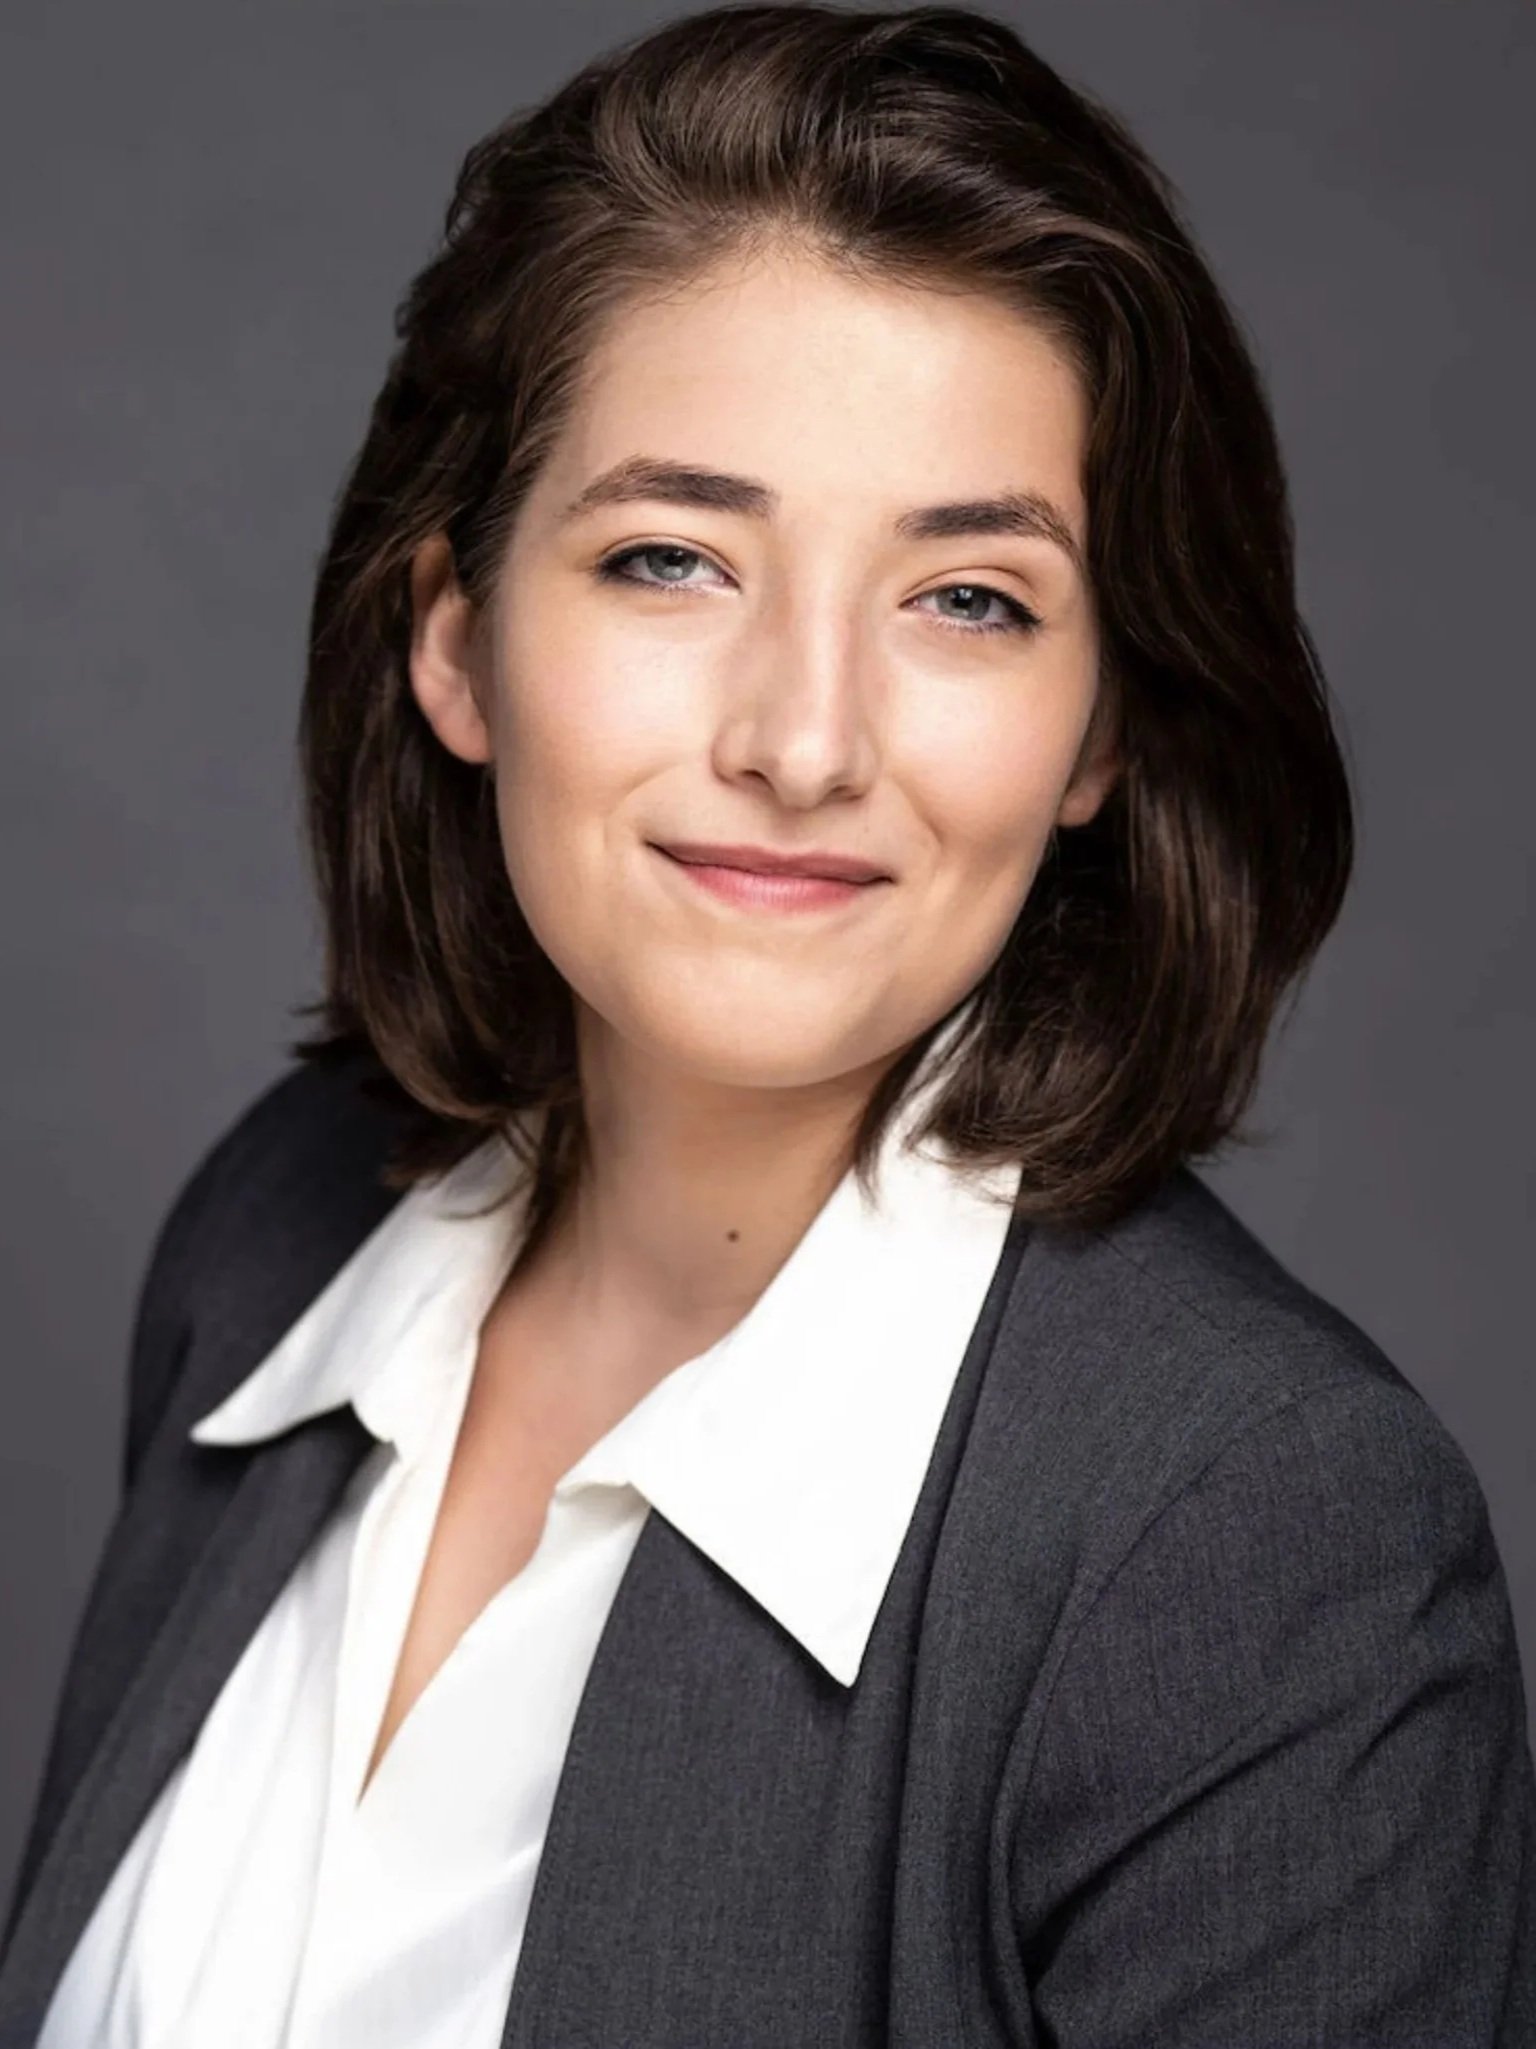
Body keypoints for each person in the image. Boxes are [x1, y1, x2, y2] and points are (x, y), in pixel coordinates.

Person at [3, 2, 1532, 2043]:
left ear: (1100, 730)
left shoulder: (1255, 1545)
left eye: (968, 596)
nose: (806, 740)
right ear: (457, 640)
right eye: (672, 560)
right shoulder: (276, 1235)